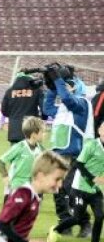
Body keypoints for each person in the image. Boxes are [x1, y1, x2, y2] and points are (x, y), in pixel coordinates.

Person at [42, 69, 90, 232]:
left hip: (72, 151)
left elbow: (68, 99)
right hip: (59, 152)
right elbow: (47, 108)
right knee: (57, 187)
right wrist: (52, 88)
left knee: (71, 188)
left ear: (76, 88)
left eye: (68, 86)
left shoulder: (81, 104)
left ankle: (85, 223)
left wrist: (58, 81)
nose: (64, 89)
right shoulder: (63, 108)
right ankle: (65, 221)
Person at [50, 116, 104, 242]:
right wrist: (93, 178)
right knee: (77, 218)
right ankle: (56, 230)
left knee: (100, 216)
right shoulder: (92, 145)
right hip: (80, 188)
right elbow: (78, 164)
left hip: (94, 190)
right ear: (99, 131)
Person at [0, 117, 45, 194]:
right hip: (15, 186)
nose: (44, 134)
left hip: (31, 188)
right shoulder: (20, 147)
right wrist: (5, 177)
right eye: (42, 132)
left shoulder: (41, 149)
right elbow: (1, 161)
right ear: (34, 135)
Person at [1, 71, 44, 143]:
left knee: (16, 150)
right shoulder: (36, 90)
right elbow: (44, 108)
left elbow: (4, 111)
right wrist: (40, 117)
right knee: (32, 149)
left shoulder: (9, 91)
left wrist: (14, 117)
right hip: (31, 129)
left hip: (14, 130)